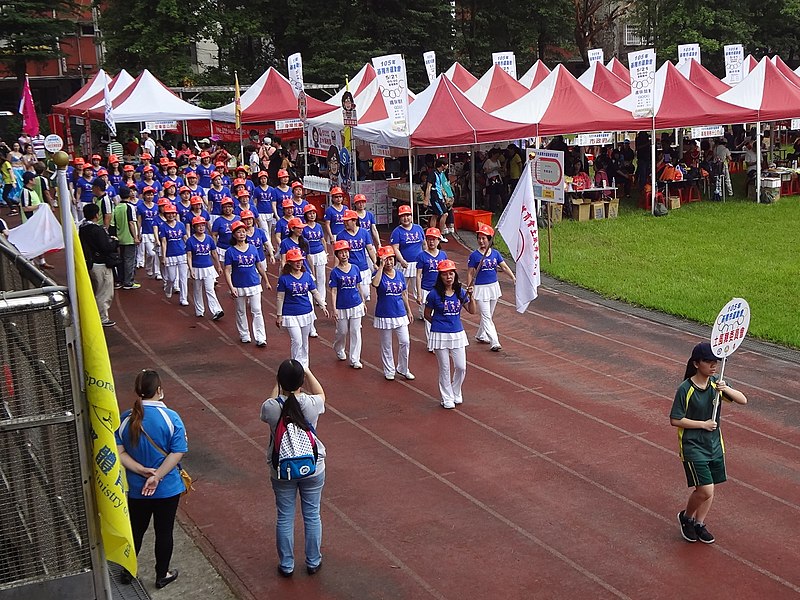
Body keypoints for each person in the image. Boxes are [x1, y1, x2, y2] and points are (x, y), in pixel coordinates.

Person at [670, 342, 747, 544]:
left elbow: (743, 400)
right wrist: (702, 424)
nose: (713, 366)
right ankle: (686, 517)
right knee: (706, 489)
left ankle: (699, 523)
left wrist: (727, 390)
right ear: (696, 363)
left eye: (716, 362)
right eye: (708, 362)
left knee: (710, 487)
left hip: (714, 445)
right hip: (693, 446)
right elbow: (675, 419)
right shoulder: (685, 389)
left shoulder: (717, 384)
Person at [115, 369, 186, 588]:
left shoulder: (126, 418)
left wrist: (141, 470)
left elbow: (119, 452)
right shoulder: (171, 417)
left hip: (137, 488)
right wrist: (157, 476)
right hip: (167, 488)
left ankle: (127, 571)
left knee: (135, 529)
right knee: (164, 532)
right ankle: (161, 574)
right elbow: (177, 451)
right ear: (159, 390)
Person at [260, 360, 326, 577]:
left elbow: (270, 402)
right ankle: (313, 561)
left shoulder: (271, 407)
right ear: (301, 382)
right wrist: (307, 371)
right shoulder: (311, 404)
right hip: (313, 467)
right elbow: (322, 394)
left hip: (282, 470)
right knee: (312, 514)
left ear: (280, 381)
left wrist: (278, 385)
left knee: (285, 516)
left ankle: (287, 564)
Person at [424, 260, 476, 408]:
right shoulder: (433, 295)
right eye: (445, 274)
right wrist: (439, 324)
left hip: (457, 333)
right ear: (440, 276)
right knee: (445, 367)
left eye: (451, 273)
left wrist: (471, 296)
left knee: (461, 366)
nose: (448, 277)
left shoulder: (460, 291)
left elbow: (472, 310)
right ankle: (446, 397)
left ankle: (456, 390)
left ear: (455, 275)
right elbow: (427, 314)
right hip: (440, 334)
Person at [466, 223, 516, 352]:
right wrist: (469, 286)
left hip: (493, 287)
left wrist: (513, 278)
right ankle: (494, 341)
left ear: (489, 239)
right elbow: (470, 272)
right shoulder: (474, 256)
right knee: (486, 315)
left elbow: (504, 266)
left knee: (489, 315)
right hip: (481, 288)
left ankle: (481, 334)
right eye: (479, 238)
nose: (481, 241)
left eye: (484, 238)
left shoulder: (495, 254)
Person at [276, 248, 329, 367]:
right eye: (296, 261)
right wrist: (279, 315)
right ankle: (295, 364)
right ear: (289, 263)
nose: (299, 263)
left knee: (305, 340)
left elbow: (314, 292)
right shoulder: (284, 279)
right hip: (290, 314)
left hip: (306, 312)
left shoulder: (307, 276)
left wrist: (322, 305)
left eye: (300, 260)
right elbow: (280, 297)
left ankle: (304, 365)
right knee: (296, 340)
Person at [372, 245, 415, 381]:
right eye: (386, 260)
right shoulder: (378, 274)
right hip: (384, 313)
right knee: (386, 344)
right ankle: (389, 369)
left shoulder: (400, 275)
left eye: (391, 259)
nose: (389, 262)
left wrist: (408, 310)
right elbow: (375, 284)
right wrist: (380, 267)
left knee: (405, 341)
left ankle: (403, 367)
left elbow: (404, 293)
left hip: (400, 312)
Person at [224, 220, 271, 346]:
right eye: (238, 232)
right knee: (241, 311)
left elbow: (259, 266)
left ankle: (260, 337)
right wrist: (231, 287)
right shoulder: (230, 252)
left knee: (257, 310)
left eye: (243, 231)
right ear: (234, 235)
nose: (242, 234)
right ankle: (244, 334)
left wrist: (266, 281)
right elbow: (227, 271)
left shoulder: (253, 249)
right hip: (239, 285)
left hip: (254, 283)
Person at [78, 203, 119, 327]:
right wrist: (114, 243)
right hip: (101, 264)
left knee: (97, 290)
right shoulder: (97, 229)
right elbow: (106, 247)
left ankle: (96, 316)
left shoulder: (82, 228)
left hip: (90, 263)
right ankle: (101, 317)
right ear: (96, 215)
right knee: (104, 292)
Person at [328, 240, 365, 368]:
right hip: (342, 306)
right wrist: (334, 308)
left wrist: (363, 301)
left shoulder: (355, 268)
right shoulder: (335, 272)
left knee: (355, 331)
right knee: (342, 331)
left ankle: (355, 359)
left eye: (346, 252)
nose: (344, 255)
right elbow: (333, 291)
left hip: (356, 304)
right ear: (337, 255)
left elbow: (359, 285)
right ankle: (339, 347)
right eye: (341, 253)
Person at [186, 216, 224, 320]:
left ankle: (216, 310)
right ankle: (199, 310)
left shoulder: (209, 239)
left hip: (208, 268)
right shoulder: (190, 241)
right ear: (194, 227)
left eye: (203, 225)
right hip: (196, 268)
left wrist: (218, 266)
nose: (201, 228)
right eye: (199, 226)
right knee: (197, 290)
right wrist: (191, 269)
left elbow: (214, 253)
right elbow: (189, 256)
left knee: (210, 289)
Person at [336, 209, 376, 303]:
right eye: (344, 221)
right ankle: (357, 310)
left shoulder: (364, 233)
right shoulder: (341, 235)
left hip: (363, 267)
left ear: (354, 220)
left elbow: (369, 248)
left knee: (365, 293)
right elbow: (338, 253)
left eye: (347, 220)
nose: (345, 223)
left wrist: (375, 262)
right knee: (352, 292)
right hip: (349, 268)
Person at [390, 204, 425, 297]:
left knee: (419, 290)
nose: (405, 218)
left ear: (411, 216)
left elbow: (424, 244)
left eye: (407, 215)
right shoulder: (397, 232)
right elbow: (395, 248)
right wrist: (401, 260)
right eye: (403, 216)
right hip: (404, 264)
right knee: (401, 290)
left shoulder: (418, 228)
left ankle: (422, 310)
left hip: (418, 264)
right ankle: (404, 310)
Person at [159, 204, 189, 305]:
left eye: (172, 213)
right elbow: (164, 242)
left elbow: (185, 237)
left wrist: (190, 249)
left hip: (182, 253)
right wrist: (163, 257)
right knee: (171, 278)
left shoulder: (180, 225)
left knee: (183, 277)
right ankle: (168, 288)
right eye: (168, 214)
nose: (171, 215)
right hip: (170, 255)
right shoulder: (163, 226)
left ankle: (183, 298)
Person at [112, 186, 141, 289]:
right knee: (130, 260)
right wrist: (135, 237)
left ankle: (121, 279)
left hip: (120, 237)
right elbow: (131, 223)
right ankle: (128, 281)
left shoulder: (117, 207)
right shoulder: (130, 207)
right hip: (129, 238)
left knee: (122, 259)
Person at [423, 158, 452, 239]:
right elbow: (428, 187)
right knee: (444, 214)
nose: (447, 166)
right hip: (435, 198)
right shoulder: (433, 173)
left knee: (435, 215)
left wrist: (444, 196)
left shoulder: (440, 173)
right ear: (442, 165)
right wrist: (426, 199)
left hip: (439, 197)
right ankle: (440, 234)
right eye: (446, 165)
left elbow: (440, 186)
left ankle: (431, 233)